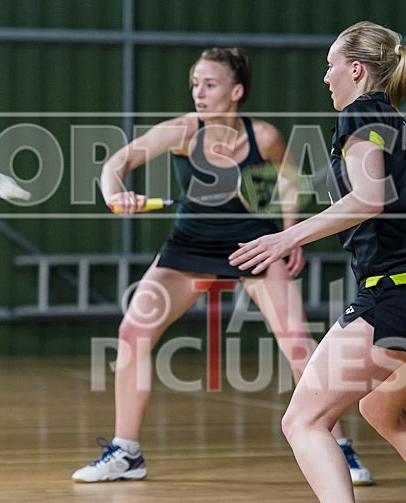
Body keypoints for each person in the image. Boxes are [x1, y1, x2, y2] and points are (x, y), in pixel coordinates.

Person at [72, 47, 372, 485]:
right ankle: (126, 452)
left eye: (209, 84)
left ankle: (339, 446)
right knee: (132, 332)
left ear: (236, 91)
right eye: (195, 83)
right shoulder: (182, 132)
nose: (199, 92)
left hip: (254, 246)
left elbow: (288, 181)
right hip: (189, 247)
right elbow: (117, 163)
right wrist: (114, 193)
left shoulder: (263, 136)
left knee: (297, 344)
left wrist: (289, 235)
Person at [230, 22, 406, 502]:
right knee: (383, 412)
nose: (326, 77)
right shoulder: (401, 125)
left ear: (355, 70)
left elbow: (369, 200)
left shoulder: (360, 115)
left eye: (330, 66)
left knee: (303, 420)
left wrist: (287, 236)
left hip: (402, 295)